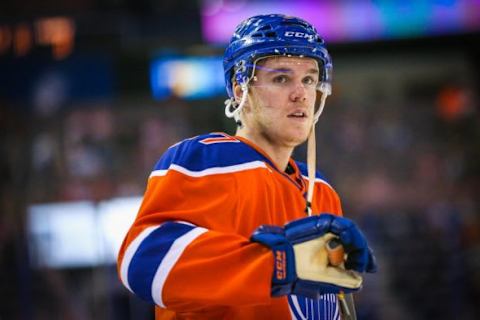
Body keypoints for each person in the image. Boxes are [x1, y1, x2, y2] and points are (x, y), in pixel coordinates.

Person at [117, 14, 377, 320]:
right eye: (281, 78)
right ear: (241, 90)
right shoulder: (207, 159)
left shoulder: (322, 189)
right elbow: (140, 260)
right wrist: (278, 264)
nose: (301, 93)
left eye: (308, 78)